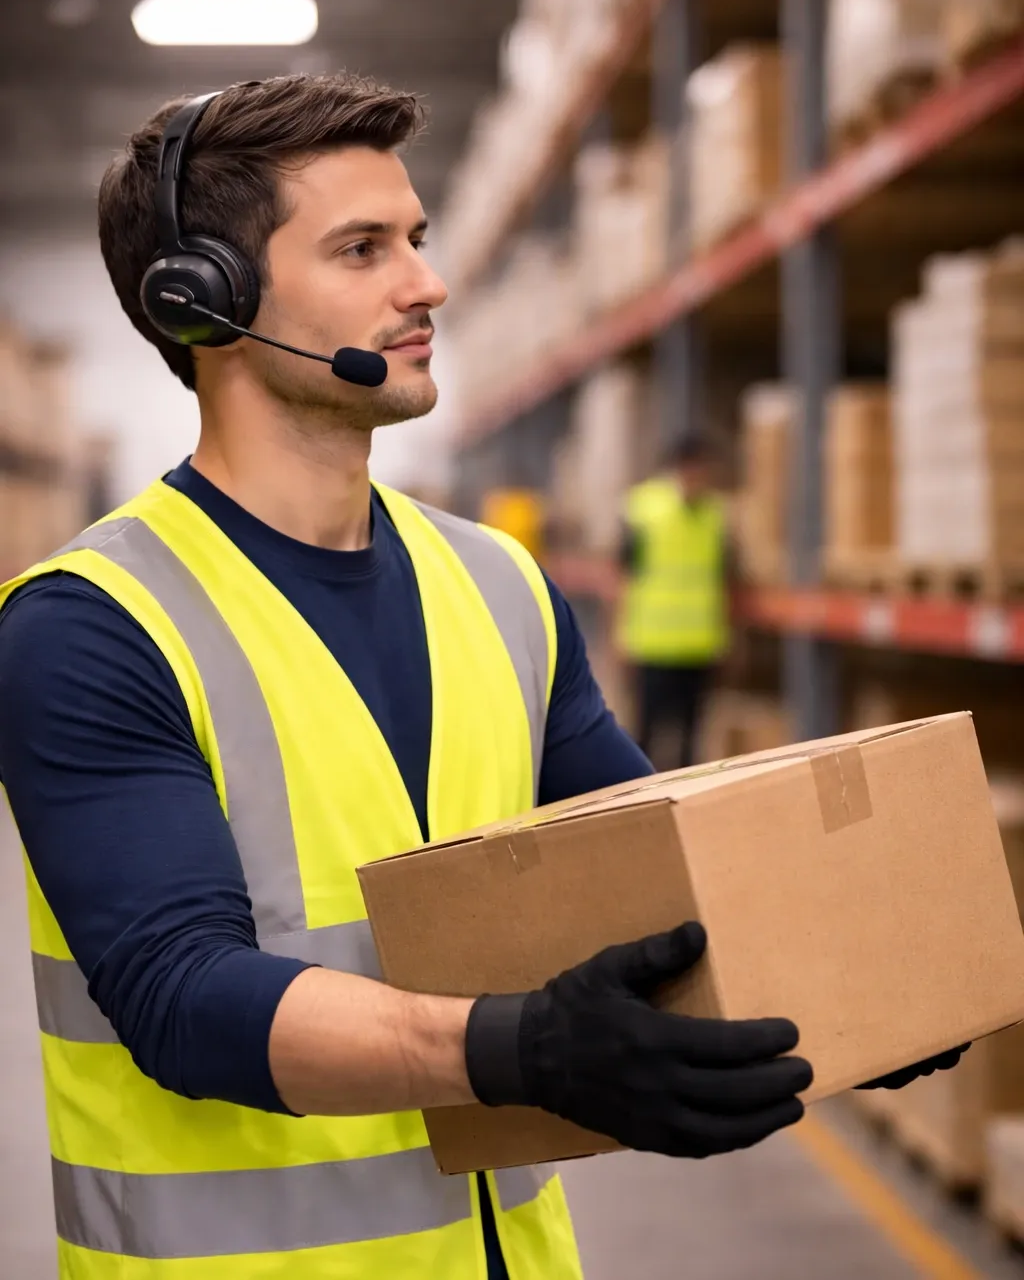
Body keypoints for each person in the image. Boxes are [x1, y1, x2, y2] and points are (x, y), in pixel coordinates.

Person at [0, 74, 963, 1280]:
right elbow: (179, 994)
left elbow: (652, 869)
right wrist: (524, 1050)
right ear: (204, 303)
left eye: (417, 237)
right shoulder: (92, 623)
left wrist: (860, 973)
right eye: (363, 248)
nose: (427, 283)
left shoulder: (495, 582)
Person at [618, 433, 732, 768]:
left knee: (690, 740)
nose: (701, 479)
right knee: (647, 735)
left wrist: (727, 638)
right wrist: (619, 636)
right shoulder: (645, 510)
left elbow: (720, 580)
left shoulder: (714, 515)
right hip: (653, 646)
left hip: (699, 647)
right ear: (679, 468)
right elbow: (625, 575)